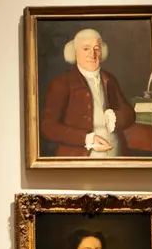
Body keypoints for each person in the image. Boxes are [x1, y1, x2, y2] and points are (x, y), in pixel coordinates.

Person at [39, 28, 137, 158]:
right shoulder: (62, 83)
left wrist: (116, 118)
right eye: (86, 49)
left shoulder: (109, 79)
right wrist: (86, 139)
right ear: (74, 52)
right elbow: (48, 127)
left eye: (96, 49)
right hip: (80, 156)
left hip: (116, 153)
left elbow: (130, 114)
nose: (92, 54)